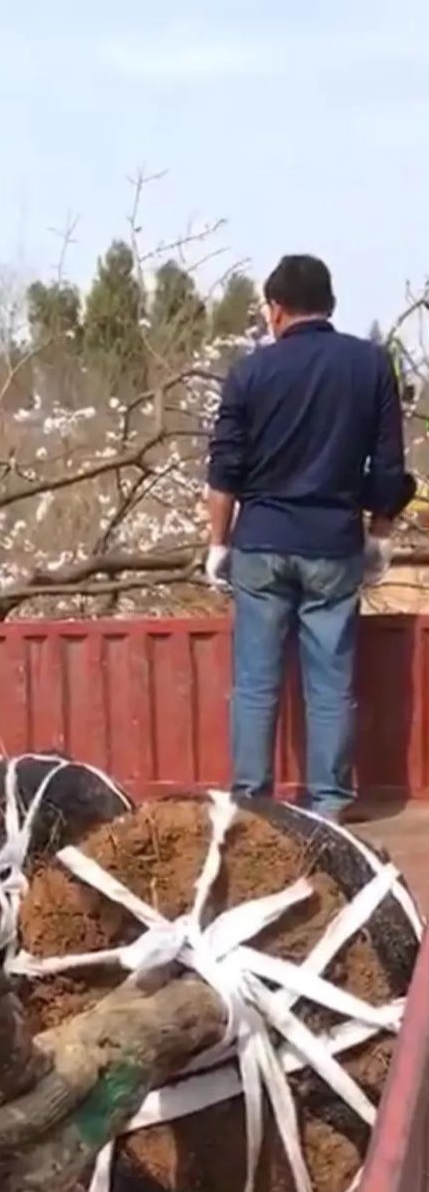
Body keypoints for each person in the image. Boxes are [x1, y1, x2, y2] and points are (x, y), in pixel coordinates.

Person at [205, 254, 414, 821]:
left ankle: (251, 801)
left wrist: (218, 543)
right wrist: (380, 534)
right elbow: (390, 466)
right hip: (333, 544)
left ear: (275, 310)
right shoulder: (369, 364)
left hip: (262, 543)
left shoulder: (250, 373)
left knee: (255, 681)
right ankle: (329, 802)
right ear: (331, 306)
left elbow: (225, 468)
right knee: (330, 680)